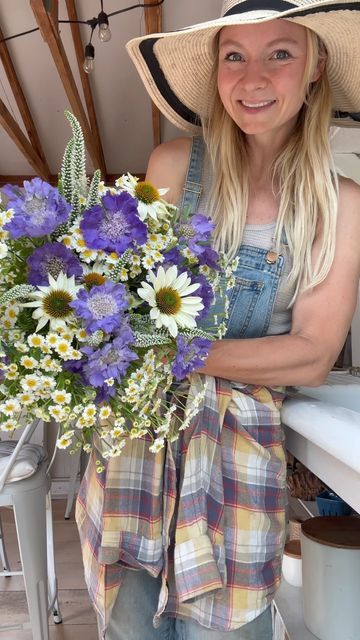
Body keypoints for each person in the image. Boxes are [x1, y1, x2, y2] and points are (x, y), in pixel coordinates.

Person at [76, 2, 360, 638]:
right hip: (137, 444)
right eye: (235, 56)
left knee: (225, 627)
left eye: (279, 54)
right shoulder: (174, 166)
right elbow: (118, 301)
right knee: (130, 625)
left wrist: (168, 351)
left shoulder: (341, 206)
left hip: (238, 454)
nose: (252, 78)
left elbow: (311, 353)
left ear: (315, 68)